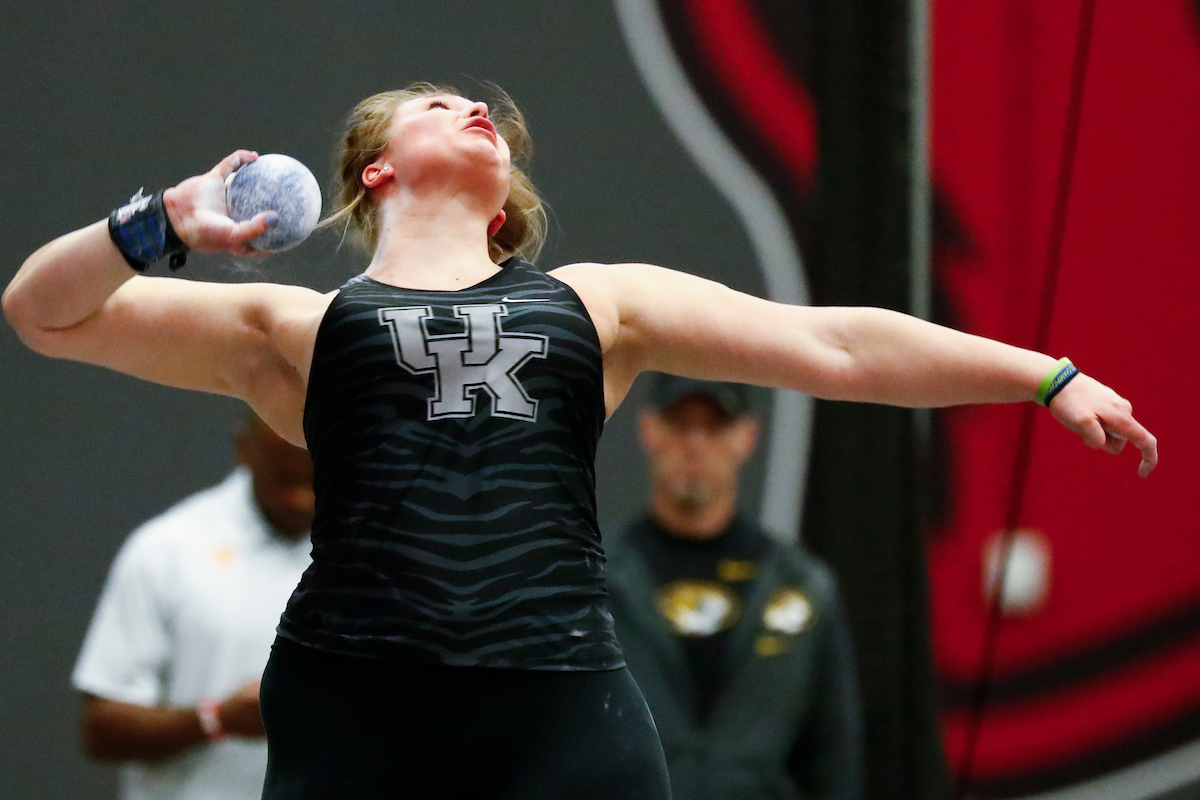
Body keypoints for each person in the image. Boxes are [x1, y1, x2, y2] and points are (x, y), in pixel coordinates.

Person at [3, 82, 1156, 799]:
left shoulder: (600, 304)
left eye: (487, 113)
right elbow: (41, 314)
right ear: (377, 169)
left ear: (506, 202)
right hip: (359, 702)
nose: (476, 110)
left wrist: (1040, 374)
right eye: (438, 102)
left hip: (557, 704)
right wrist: (158, 226)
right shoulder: (296, 329)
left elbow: (838, 348)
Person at [607, 375, 862, 800]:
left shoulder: (800, 589)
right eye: (679, 424)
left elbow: (835, 757)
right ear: (648, 429)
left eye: (714, 426)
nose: (695, 445)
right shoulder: (595, 583)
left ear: (746, 436)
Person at [72, 414, 313, 800]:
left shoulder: (371, 553)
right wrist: (217, 719)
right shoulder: (168, 550)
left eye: (317, 481)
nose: (302, 498)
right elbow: (102, 729)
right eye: (284, 478)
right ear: (244, 450)